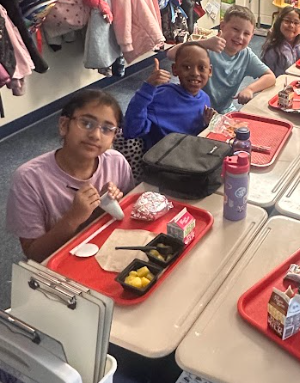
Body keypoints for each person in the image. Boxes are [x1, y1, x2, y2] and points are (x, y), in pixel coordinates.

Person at [6, 90, 134, 263]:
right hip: (60, 265)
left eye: (106, 129)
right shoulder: (29, 179)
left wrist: (109, 204)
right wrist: (73, 218)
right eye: (86, 123)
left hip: (109, 251)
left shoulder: (116, 162)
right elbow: (35, 254)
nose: (95, 135)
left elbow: (130, 215)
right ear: (64, 125)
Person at [124, 42, 213, 150]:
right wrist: (148, 88)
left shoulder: (205, 99)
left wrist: (206, 125)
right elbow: (131, 131)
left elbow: (195, 135)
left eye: (201, 67)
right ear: (175, 69)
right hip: (164, 157)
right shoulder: (160, 96)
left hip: (190, 152)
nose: (195, 73)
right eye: (187, 67)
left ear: (210, 71)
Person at [195, 5, 276, 113]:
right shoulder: (208, 48)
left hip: (223, 110)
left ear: (251, 36)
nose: (240, 37)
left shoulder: (246, 55)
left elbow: (270, 77)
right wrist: (202, 44)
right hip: (196, 108)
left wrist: (250, 89)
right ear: (222, 26)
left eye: (246, 34)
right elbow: (173, 53)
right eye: (235, 29)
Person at [261, 6, 300, 77]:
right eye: (287, 21)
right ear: (279, 24)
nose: (291, 25)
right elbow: (266, 76)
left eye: (296, 23)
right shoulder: (273, 49)